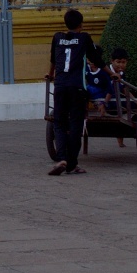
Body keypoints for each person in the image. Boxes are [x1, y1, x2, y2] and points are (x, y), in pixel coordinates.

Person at [46, 9, 102, 175]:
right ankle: (71, 163)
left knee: (59, 122)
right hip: (77, 87)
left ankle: (62, 158)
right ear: (81, 24)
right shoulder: (84, 37)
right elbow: (96, 59)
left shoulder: (57, 37)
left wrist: (50, 75)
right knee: (76, 124)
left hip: (60, 86)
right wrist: (111, 73)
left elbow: (53, 61)